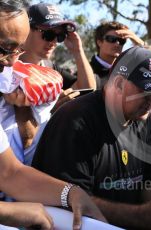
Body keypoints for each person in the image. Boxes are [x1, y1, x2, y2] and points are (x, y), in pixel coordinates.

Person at [32, 46, 151, 229]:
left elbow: (150, 182)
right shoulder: (75, 122)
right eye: (147, 91)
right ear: (118, 84)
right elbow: (74, 205)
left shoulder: (143, 120)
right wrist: (144, 215)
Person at [0, 0, 106, 229]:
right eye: (6, 49)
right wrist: (8, 212)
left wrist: (71, 193)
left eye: (17, 51)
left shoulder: (50, 76)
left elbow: (9, 173)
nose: (11, 62)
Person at [90, 21, 144, 89]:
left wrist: (139, 44)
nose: (117, 44)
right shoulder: (85, 72)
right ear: (99, 42)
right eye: (111, 39)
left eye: (122, 41)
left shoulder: (128, 72)